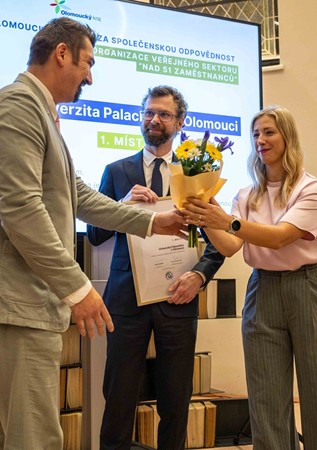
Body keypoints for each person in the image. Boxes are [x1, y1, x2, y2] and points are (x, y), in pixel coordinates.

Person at [0, 18, 186, 450]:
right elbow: (21, 210)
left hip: (20, 301)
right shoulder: (18, 106)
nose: (90, 77)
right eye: (88, 63)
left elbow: (77, 194)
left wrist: (153, 222)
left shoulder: (38, 111)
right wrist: (78, 288)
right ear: (62, 54)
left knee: (7, 437)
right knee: (35, 440)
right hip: (14, 302)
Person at [181, 105, 317, 449]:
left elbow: (280, 237)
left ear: (287, 136)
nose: (260, 140)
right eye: (255, 134)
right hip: (262, 288)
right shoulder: (246, 195)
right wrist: (203, 216)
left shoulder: (311, 189)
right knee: (266, 397)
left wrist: (227, 222)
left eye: (268, 132)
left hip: (308, 287)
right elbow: (230, 246)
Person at [87, 85, 226, 450]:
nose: (154, 119)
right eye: (149, 112)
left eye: (164, 114)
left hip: (179, 297)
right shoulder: (116, 171)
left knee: (176, 398)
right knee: (118, 395)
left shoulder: (197, 173)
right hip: (126, 299)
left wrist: (199, 275)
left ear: (179, 122)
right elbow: (95, 235)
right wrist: (121, 205)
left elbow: (218, 240)